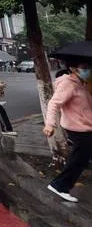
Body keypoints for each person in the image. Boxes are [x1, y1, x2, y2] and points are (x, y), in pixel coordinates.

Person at [43, 60, 92, 203]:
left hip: (87, 127)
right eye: (84, 67)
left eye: (89, 67)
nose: (87, 70)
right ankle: (59, 185)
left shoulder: (82, 83)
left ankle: (60, 184)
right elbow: (53, 104)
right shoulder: (68, 84)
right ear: (73, 69)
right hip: (78, 129)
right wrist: (50, 124)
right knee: (79, 160)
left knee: (81, 159)